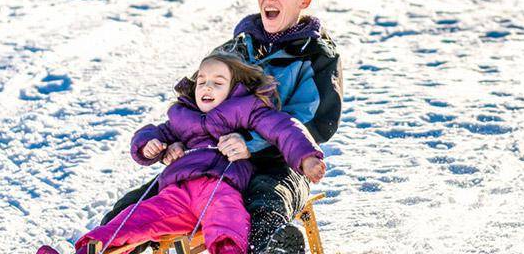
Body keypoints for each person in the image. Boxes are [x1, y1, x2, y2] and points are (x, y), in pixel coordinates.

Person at [101, 0, 343, 254]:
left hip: (282, 162)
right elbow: (196, 105)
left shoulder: (317, 54)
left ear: (303, 0)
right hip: (214, 161)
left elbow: (318, 122)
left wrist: (250, 143)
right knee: (135, 205)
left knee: (267, 198)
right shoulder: (234, 48)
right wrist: (172, 144)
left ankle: (272, 249)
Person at [40, 54, 326, 254]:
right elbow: (154, 132)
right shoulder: (183, 118)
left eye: (217, 82)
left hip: (220, 187)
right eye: (202, 81)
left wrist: (306, 157)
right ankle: (90, 248)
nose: (207, 87)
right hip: (175, 193)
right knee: (133, 219)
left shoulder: (245, 111)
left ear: (235, 88)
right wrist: (150, 144)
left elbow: (284, 127)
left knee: (227, 222)